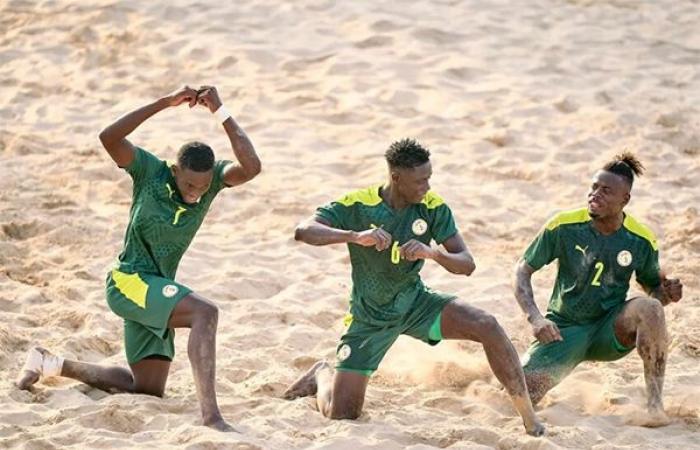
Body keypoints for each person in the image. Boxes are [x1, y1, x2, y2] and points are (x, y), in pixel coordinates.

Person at [17, 85, 261, 432]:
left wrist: (220, 111)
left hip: (158, 287)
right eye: (190, 185)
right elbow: (108, 137)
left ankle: (49, 362)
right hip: (128, 280)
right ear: (175, 170)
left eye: (202, 188)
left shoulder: (211, 183)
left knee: (144, 389)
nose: (196, 194)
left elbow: (251, 167)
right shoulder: (150, 172)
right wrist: (165, 103)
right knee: (206, 313)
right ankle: (212, 416)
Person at [283, 138, 544, 436]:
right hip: (369, 317)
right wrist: (355, 236)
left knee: (487, 324)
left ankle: (527, 415)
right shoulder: (359, 203)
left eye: (429, 178)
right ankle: (322, 374)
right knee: (343, 415)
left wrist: (433, 253)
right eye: (420, 181)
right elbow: (304, 231)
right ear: (396, 178)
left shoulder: (433, 208)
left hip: (416, 304)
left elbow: (467, 264)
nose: (427, 187)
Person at [514, 153, 683, 426]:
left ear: (625, 199)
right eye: (593, 187)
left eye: (606, 191)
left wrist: (667, 294)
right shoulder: (564, 225)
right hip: (564, 328)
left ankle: (655, 405)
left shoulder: (641, 239)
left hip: (609, 327)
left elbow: (654, 291)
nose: (595, 194)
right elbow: (522, 270)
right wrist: (535, 317)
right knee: (519, 394)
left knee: (649, 308)